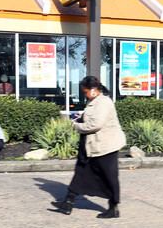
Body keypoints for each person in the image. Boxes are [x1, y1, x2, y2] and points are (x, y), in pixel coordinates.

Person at [52, 76, 126, 219]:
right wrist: (80, 118)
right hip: (92, 145)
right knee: (81, 171)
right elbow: (91, 119)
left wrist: (76, 126)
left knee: (109, 177)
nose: (85, 94)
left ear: (93, 90)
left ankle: (113, 208)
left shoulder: (104, 102)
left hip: (106, 146)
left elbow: (95, 124)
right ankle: (68, 202)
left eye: (85, 92)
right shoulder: (95, 101)